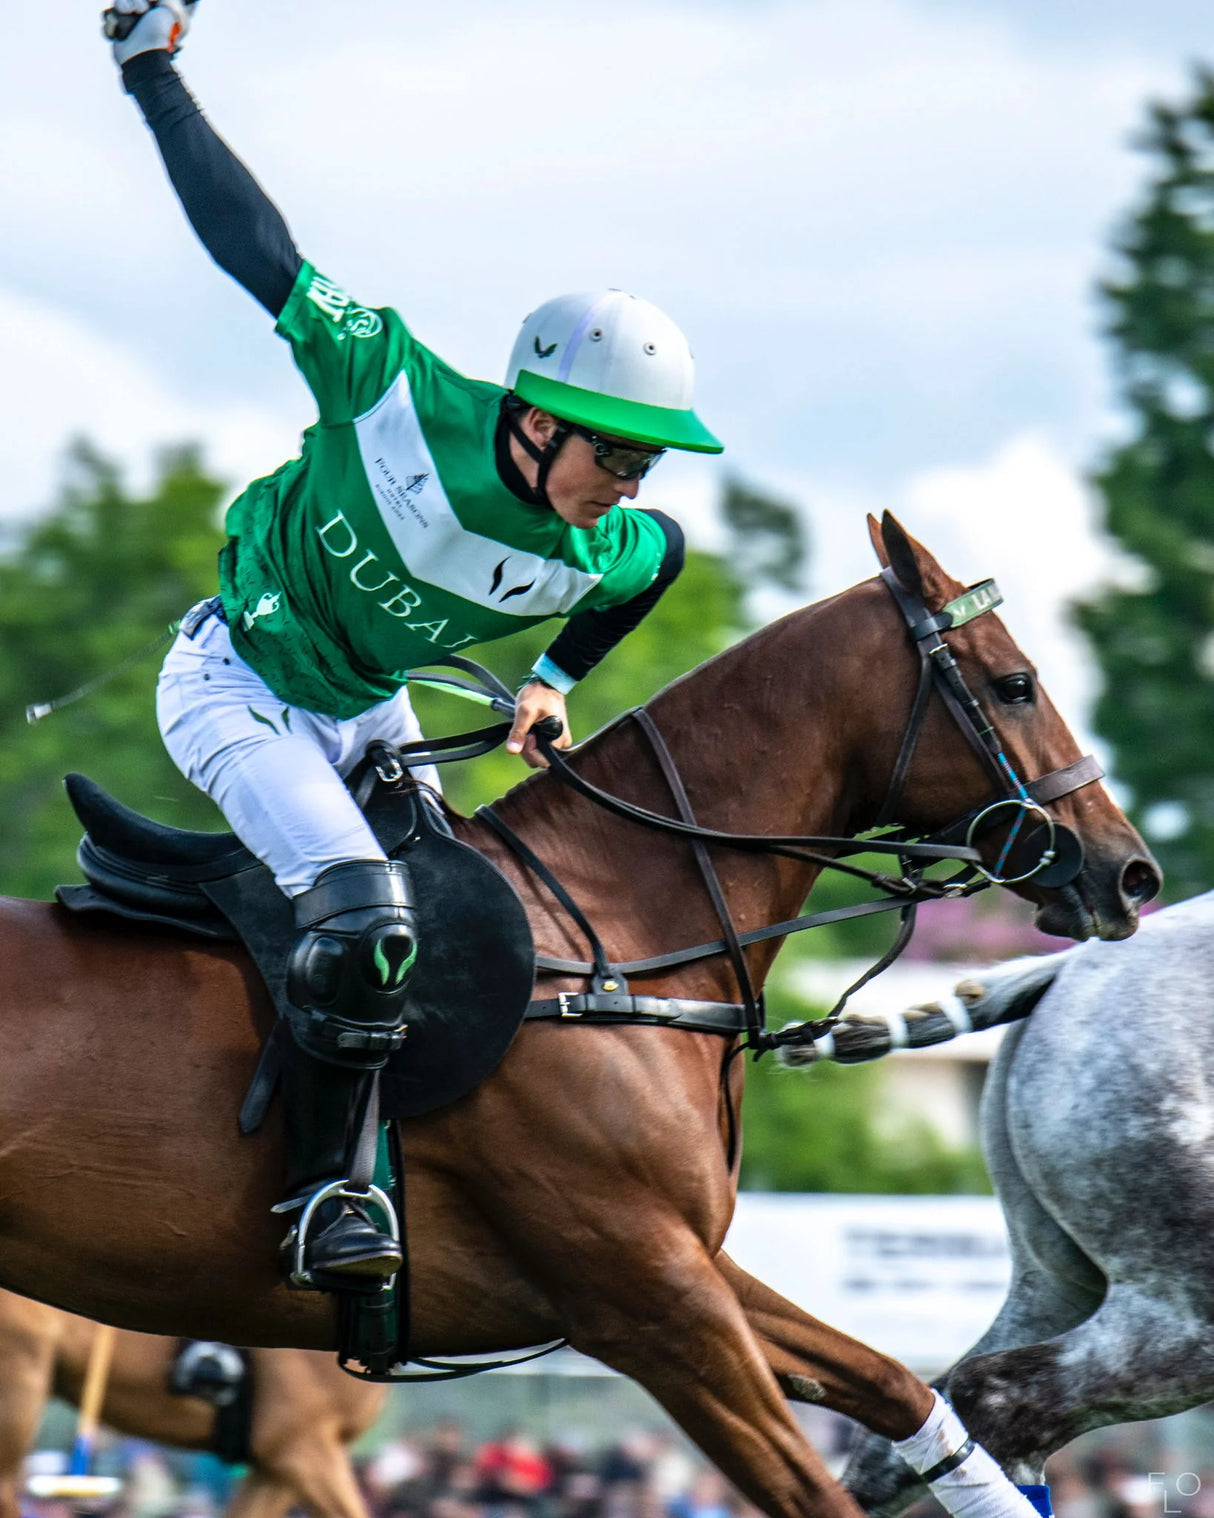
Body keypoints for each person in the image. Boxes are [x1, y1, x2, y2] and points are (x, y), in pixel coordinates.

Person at [102, 0, 723, 1287]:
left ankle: (424, 1171)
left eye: (646, 461)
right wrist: (151, 74)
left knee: (468, 931)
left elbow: (660, 564)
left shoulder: (603, 540)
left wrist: (555, 680)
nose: (630, 484)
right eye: (614, 455)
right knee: (366, 918)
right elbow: (252, 248)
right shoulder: (388, 384)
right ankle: (324, 1198)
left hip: (370, 713)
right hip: (239, 686)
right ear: (538, 421)